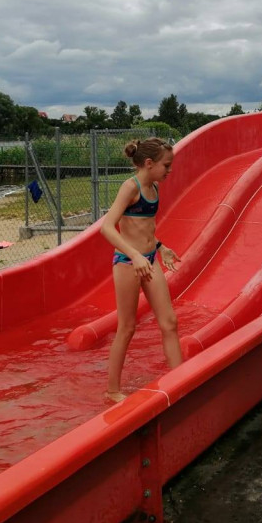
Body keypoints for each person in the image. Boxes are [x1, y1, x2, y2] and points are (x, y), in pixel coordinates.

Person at [101, 137, 182, 402]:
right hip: (128, 263)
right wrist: (134, 255)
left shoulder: (154, 187)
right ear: (149, 163)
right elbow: (107, 227)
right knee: (127, 327)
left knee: (169, 322)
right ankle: (112, 390)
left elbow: (143, 228)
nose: (169, 171)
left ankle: (181, 379)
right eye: (166, 166)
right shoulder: (130, 187)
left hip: (149, 259)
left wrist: (161, 247)